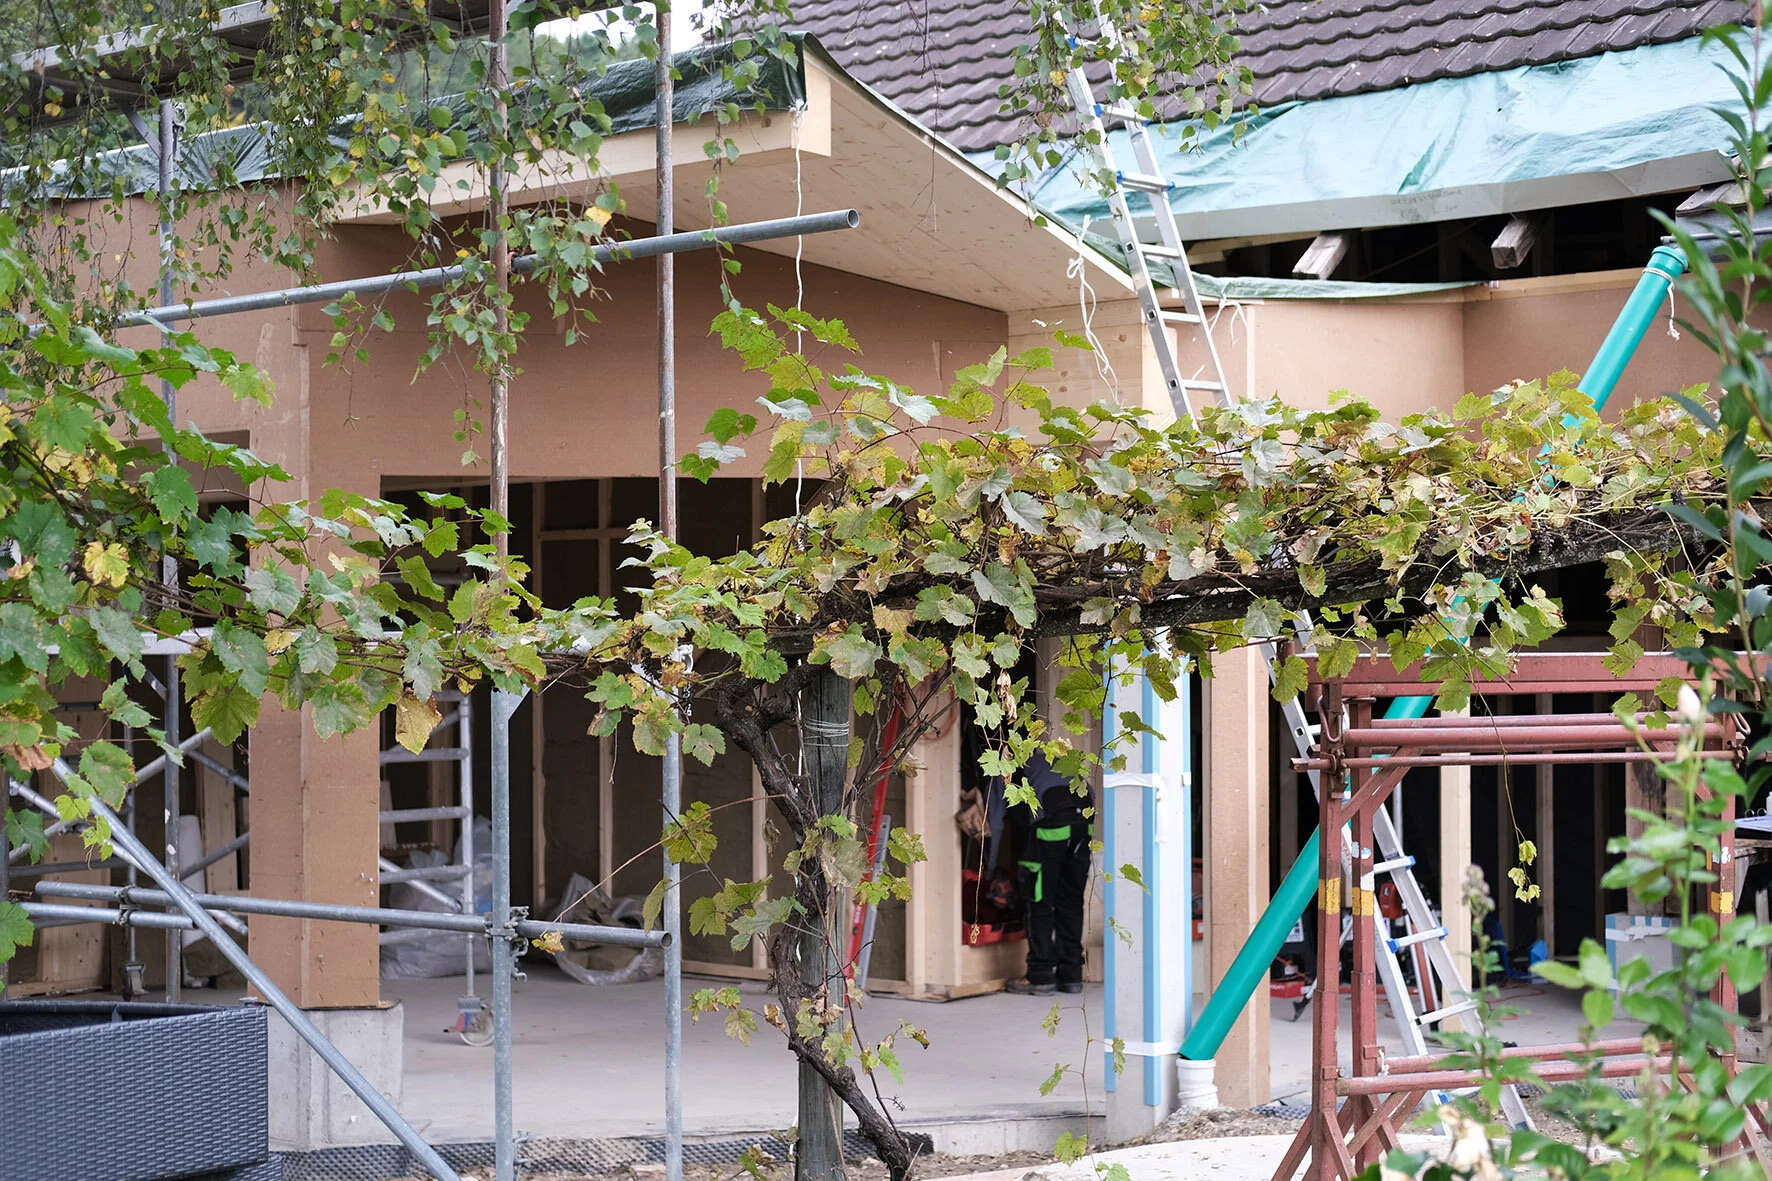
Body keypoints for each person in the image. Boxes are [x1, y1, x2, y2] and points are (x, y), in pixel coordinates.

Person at [1003, 751, 1092, 996]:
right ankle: (1071, 976)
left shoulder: (1005, 766)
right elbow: (1090, 792)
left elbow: (995, 820)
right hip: (1083, 825)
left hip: (1051, 828)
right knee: (1071, 902)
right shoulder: (1056, 756)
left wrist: (989, 868)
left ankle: (1040, 976)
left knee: (1040, 902)